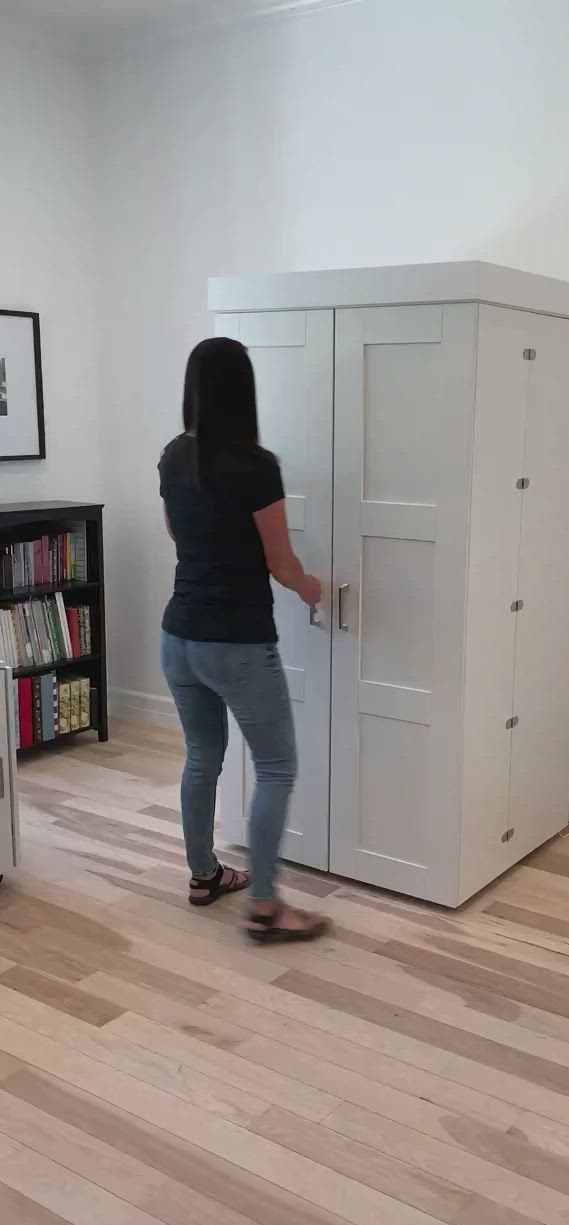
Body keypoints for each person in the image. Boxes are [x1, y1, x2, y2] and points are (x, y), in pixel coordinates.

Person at [159, 337, 328, 943]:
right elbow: (281, 565)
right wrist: (316, 589)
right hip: (235, 641)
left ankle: (204, 875)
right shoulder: (256, 466)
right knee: (277, 766)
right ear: (244, 389)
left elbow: (179, 536)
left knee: (202, 757)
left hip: (178, 636)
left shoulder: (174, 457)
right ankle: (264, 906)